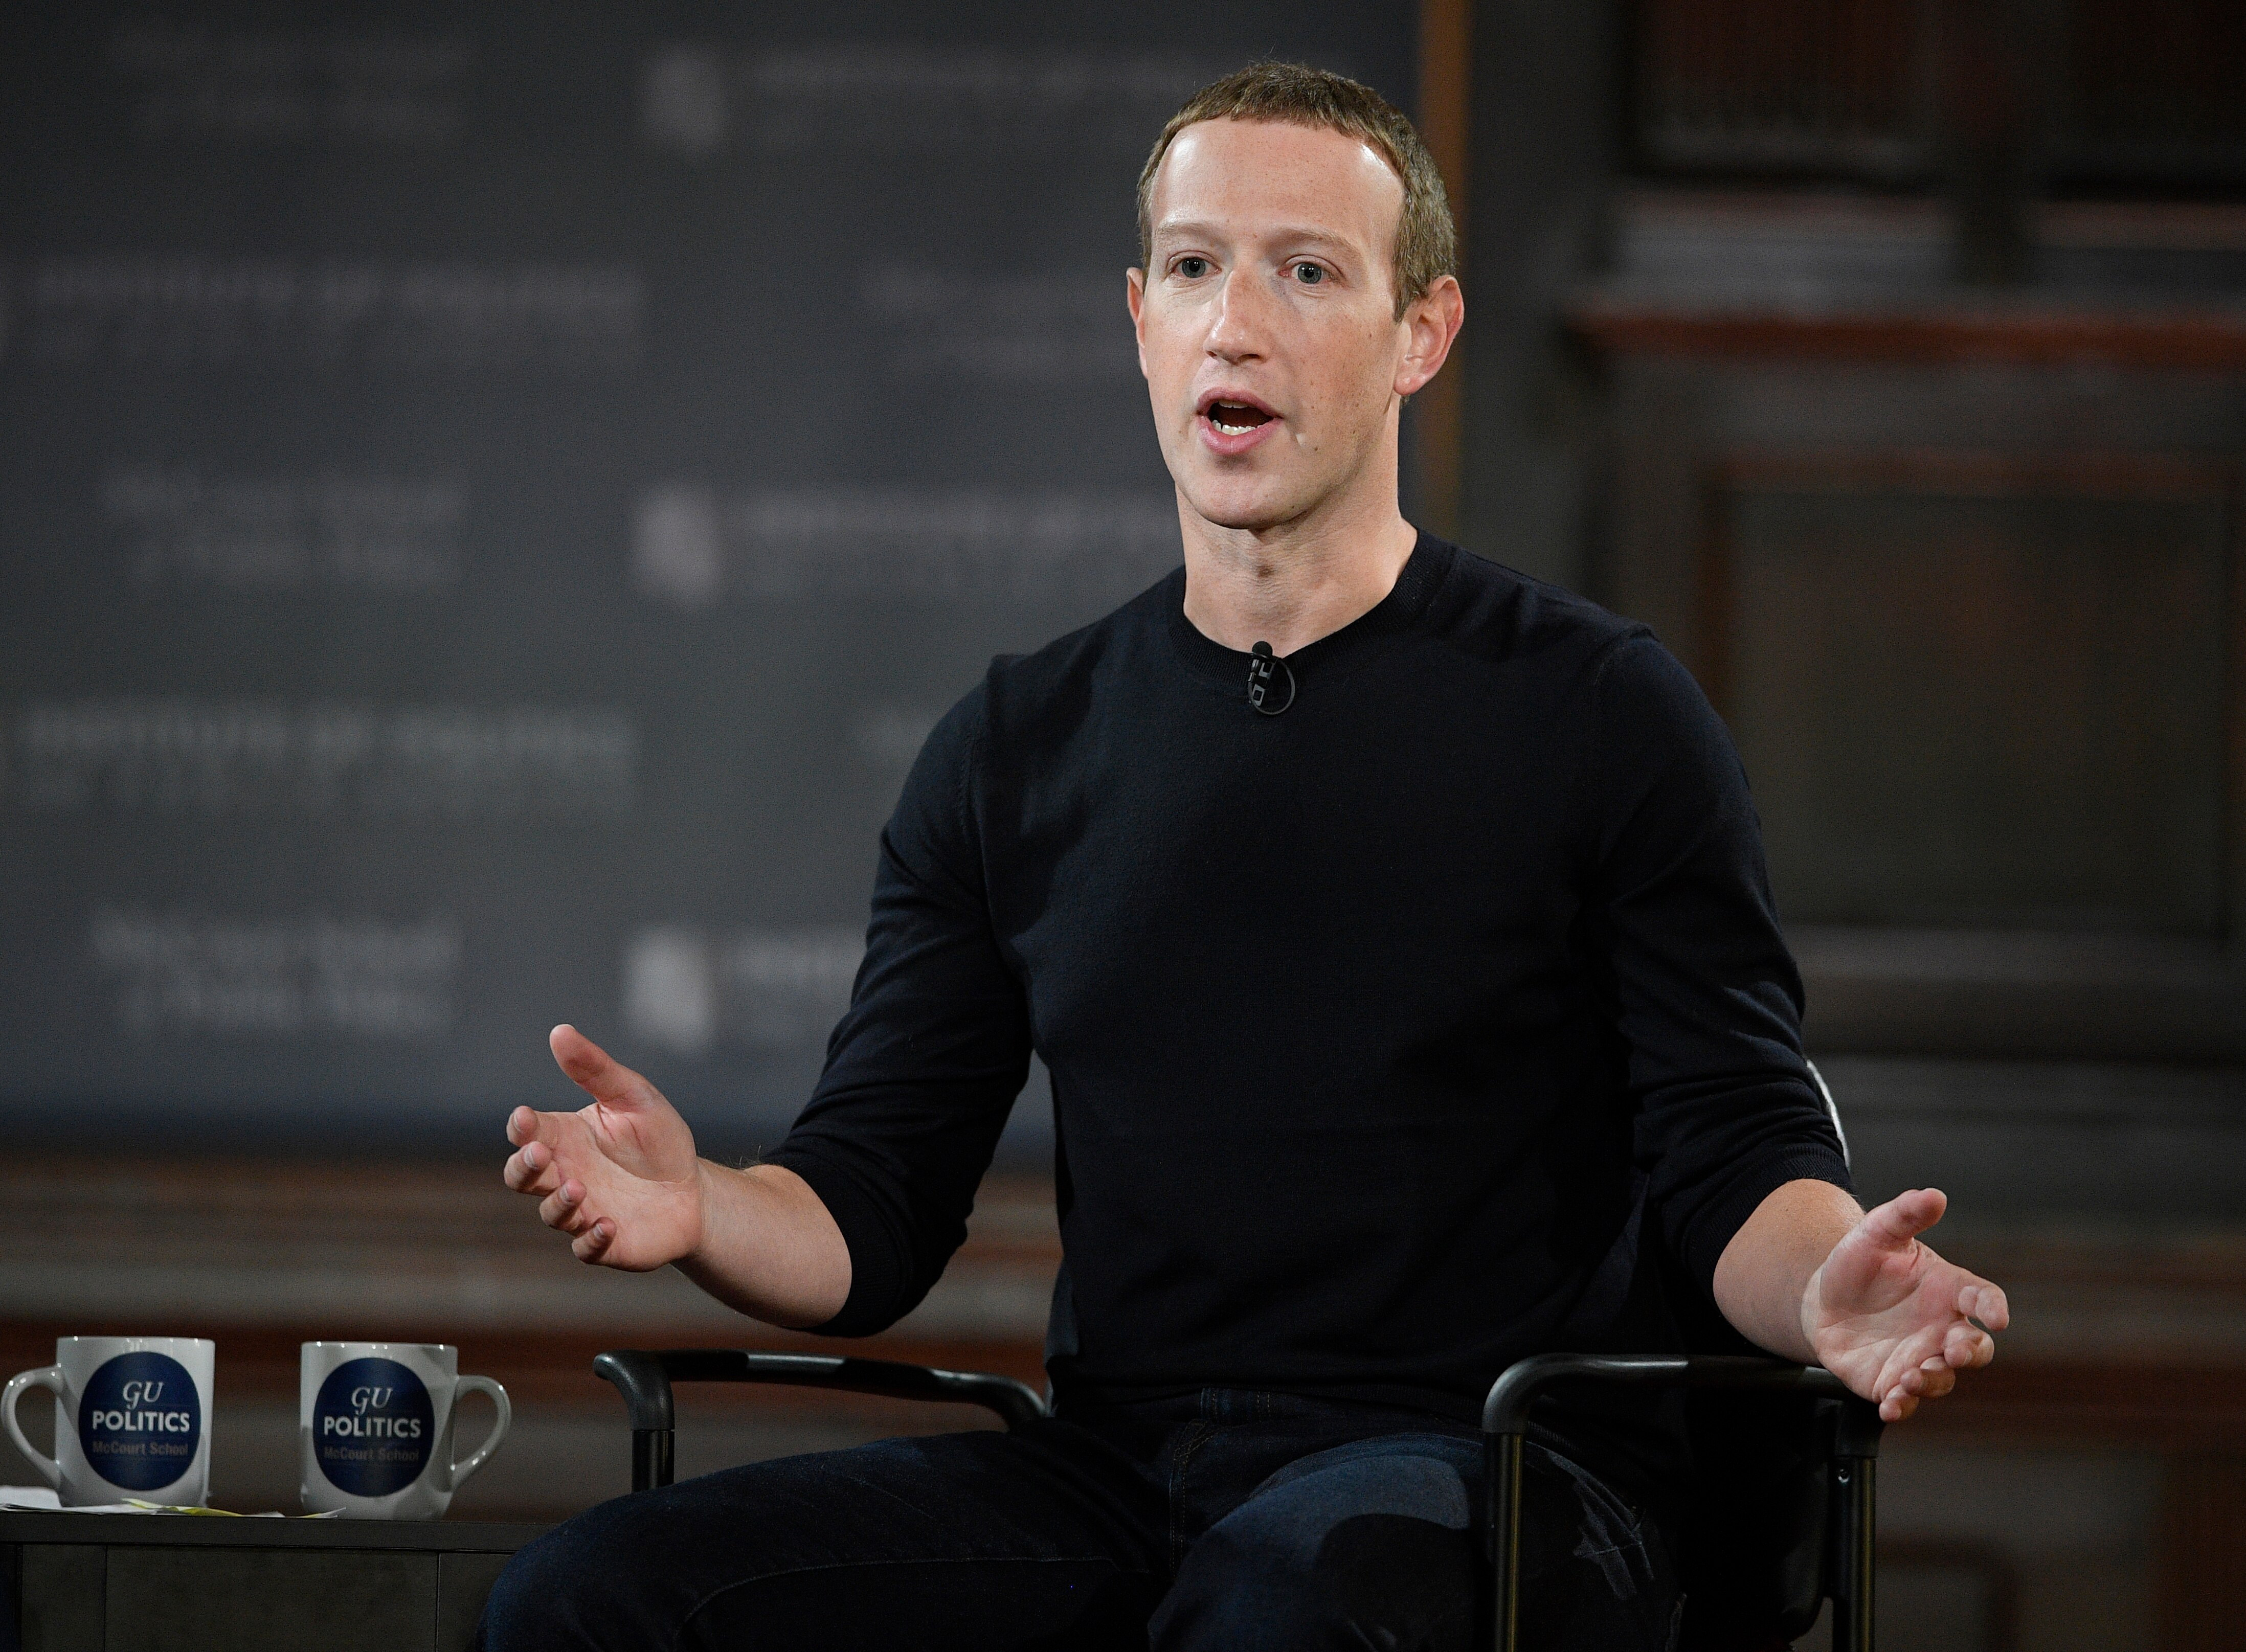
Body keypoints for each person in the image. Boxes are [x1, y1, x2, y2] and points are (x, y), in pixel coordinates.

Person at [482, 62, 2008, 1651]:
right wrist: (702, 1209)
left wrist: (1829, 1281)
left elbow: (1734, 1145)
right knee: (598, 1603)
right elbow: (874, 1206)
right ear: (1140, 320)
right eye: (1198, 268)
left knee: (1282, 1605)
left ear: (1423, 333)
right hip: (1129, 1474)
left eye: (1307, 271)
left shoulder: (1598, 714)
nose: (1238, 321)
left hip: (1499, 1478)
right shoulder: (1013, 749)